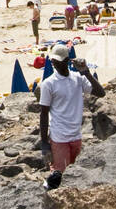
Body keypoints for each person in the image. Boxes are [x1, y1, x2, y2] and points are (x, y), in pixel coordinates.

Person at [39, 43, 104, 182]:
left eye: (58, 61)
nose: (54, 63)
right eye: (53, 61)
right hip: (59, 137)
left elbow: (101, 92)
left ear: (67, 61)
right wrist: (44, 143)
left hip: (76, 136)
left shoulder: (77, 78)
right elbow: (43, 113)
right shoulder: (48, 84)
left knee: (76, 177)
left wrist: (86, 72)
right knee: (60, 177)